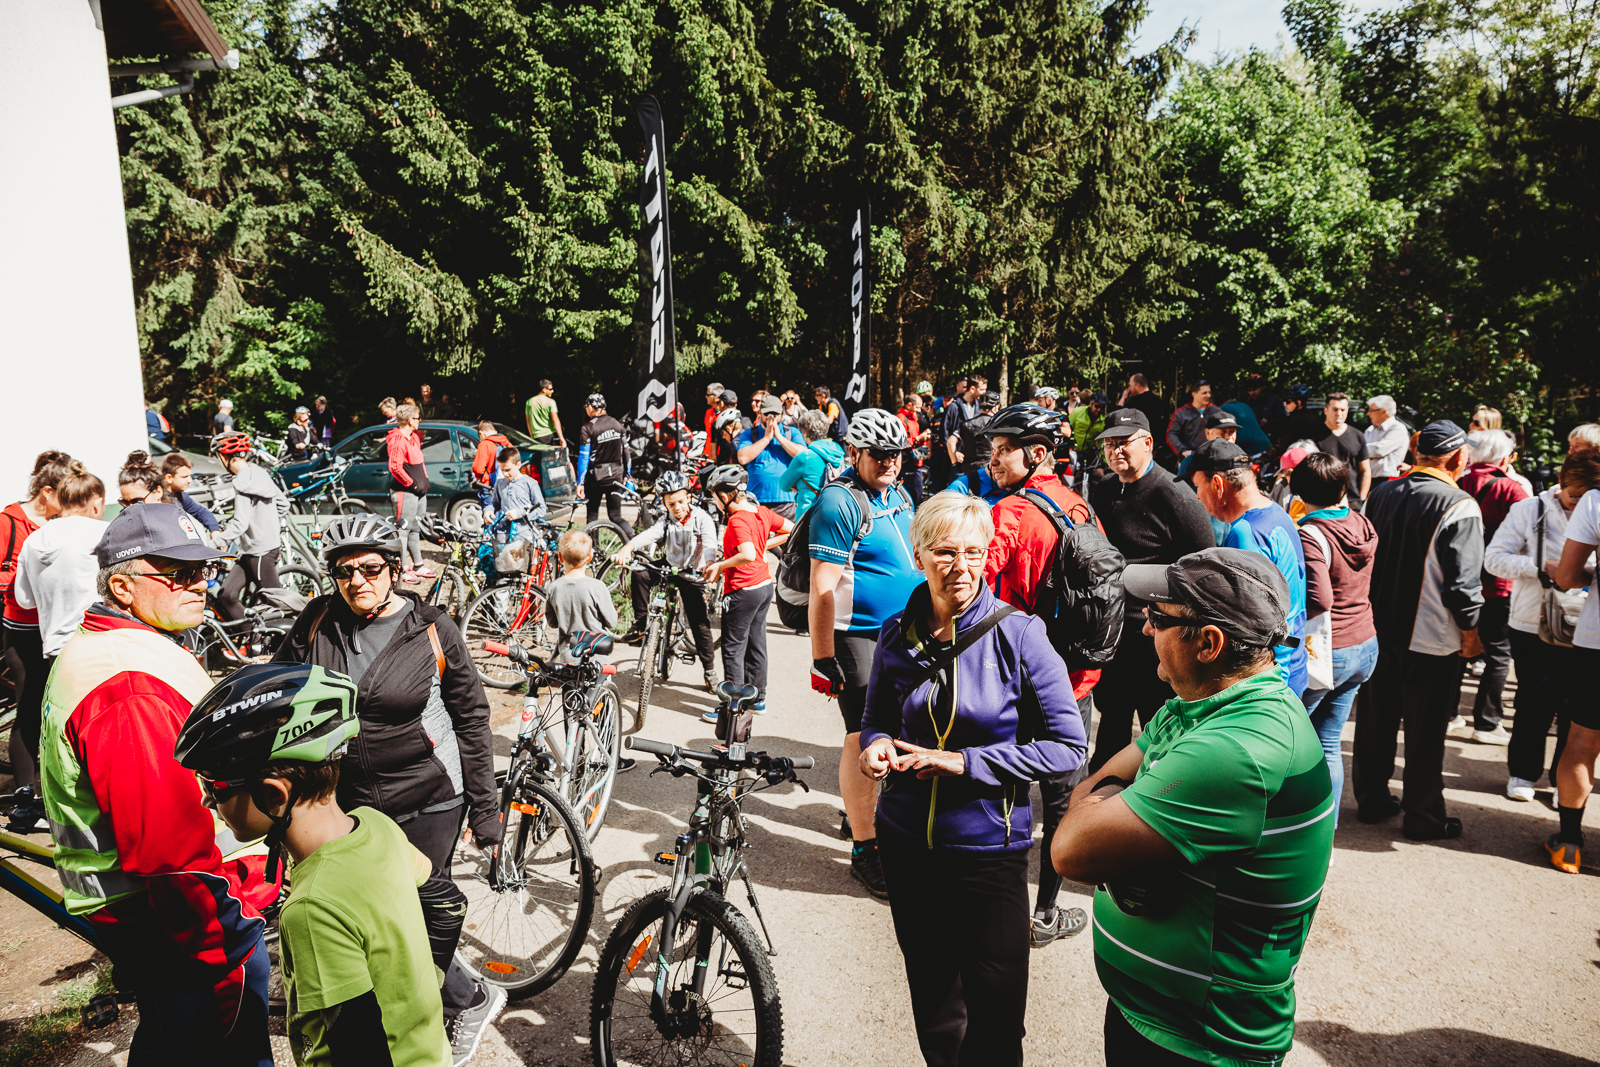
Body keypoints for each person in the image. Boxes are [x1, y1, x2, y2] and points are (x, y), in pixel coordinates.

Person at [1054, 548, 1332, 1067]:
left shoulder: (1236, 748)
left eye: (1158, 618)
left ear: (1209, 642)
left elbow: (1070, 848)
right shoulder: (1200, 705)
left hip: (1201, 1042)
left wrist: (1116, 803)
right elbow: (1085, 793)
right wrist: (1115, 803)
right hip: (1157, 1019)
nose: (1144, 629)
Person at [859, 493, 1086, 1066]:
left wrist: (965, 763)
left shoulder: (1021, 635)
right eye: (945, 552)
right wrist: (876, 747)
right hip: (908, 842)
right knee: (934, 997)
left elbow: (1068, 748)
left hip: (989, 846)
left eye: (973, 553)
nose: (960, 567)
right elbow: (875, 719)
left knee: (997, 1011)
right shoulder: (895, 634)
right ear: (918, 554)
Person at [41, 503, 271, 1065]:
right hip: (184, 922)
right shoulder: (129, 684)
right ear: (121, 585)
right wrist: (226, 937)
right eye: (177, 572)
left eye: (205, 569)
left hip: (156, 914)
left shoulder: (116, 644)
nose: (201, 584)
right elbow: (167, 845)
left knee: (172, 1042)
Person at [273, 513, 505, 1054]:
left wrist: (485, 811)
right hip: (346, 798)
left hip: (428, 797)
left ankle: (459, 1004)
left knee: (412, 919)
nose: (357, 581)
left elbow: (471, 718)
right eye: (344, 571)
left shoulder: (432, 628)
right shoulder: (315, 622)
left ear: (393, 569)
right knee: (371, 916)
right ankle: (424, 1008)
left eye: (370, 569)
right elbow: (279, 688)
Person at [174, 665, 452, 1067]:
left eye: (213, 787)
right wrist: (420, 996)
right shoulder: (378, 827)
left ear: (273, 796)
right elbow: (446, 906)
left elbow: (356, 1054)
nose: (205, 802)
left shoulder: (311, 909)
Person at [978, 404, 1100, 949]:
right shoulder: (1080, 508)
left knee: (997, 786)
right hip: (1076, 682)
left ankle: (992, 907)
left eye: (1005, 448)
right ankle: (1045, 914)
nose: (993, 457)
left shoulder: (1008, 512)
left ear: (1039, 453)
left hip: (1017, 679)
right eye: (993, 447)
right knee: (1059, 803)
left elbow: (968, 585)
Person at [1353, 420, 1484, 840]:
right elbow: (1463, 585)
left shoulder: (1382, 493)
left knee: (1376, 719)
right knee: (1426, 731)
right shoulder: (1459, 504)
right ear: (1458, 458)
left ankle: (1372, 800)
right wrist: (1471, 631)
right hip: (1430, 636)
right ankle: (1423, 816)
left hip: (1378, 627)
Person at [807, 408, 919, 899]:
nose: (892, 463)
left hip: (902, 631)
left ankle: (869, 815)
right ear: (854, 452)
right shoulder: (839, 502)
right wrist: (822, 656)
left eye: (898, 455)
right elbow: (822, 588)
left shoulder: (897, 490)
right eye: (880, 455)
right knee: (862, 737)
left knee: (899, 730)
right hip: (857, 635)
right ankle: (865, 847)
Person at [1088, 410, 1216, 768]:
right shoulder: (1106, 488)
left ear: (1147, 443)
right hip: (1111, 631)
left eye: (1123, 443)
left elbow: (1203, 568)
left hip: (1158, 633)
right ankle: (1103, 806)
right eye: (1108, 445)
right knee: (1111, 719)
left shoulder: (1176, 496)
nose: (1115, 452)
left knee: (1158, 725)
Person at [1485, 454, 1600, 804]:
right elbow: (1493, 559)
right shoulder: (1529, 509)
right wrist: (1539, 567)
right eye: (1574, 497)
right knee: (1534, 701)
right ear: (1561, 484)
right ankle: (1523, 772)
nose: (1580, 504)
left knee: (1574, 708)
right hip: (1533, 622)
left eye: (1587, 497)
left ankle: (1560, 781)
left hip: (1585, 625)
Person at [1293, 452, 1379, 824]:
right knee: (1328, 745)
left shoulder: (1311, 533)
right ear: (1344, 487)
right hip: (1364, 645)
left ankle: (1290, 831)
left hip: (1327, 652)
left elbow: (1320, 598)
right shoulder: (1361, 523)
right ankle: (1326, 830)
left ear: (1298, 494)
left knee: (1288, 740)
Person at [1186, 438, 1310, 695]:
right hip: (1293, 667)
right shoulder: (1277, 513)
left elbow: (1246, 624)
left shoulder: (1246, 533)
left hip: (1270, 682)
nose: (1197, 496)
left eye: (1197, 487)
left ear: (1218, 485)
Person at [2, 451, 69, 815]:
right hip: (23, 629)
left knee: (54, 710)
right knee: (28, 710)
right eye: (64, 495)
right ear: (46, 492)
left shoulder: (61, 523)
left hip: (54, 627)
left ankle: (51, 789)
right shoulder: (9, 522)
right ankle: (25, 796)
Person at [700, 465, 792, 719]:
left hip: (742, 590)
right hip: (763, 587)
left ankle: (732, 709)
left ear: (726, 495)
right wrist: (763, 544)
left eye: (715, 496)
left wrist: (720, 564)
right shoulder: (761, 512)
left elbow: (748, 554)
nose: (715, 501)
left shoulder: (738, 519)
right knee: (756, 643)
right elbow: (791, 529)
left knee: (733, 649)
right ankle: (757, 699)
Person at [614, 470, 718, 689]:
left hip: (693, 572)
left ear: (689, 497)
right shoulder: (666, 520)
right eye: (671, 504)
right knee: (640, 572)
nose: (677, 507)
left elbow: (710, 544)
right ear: (664, 504)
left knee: (700, 623)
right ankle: (642, 624)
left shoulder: (702, 518)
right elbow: (650, 534)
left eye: (681, 501)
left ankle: (709, 670)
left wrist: (709, 564)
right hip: (669, 566)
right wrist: (629, 546)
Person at [1544, 475, 1600, 872]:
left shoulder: (1595, 500)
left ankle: (1569, 844)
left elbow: (1566, 576)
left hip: (1597, 643)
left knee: (1581, 742)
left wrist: (1589, 576)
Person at [1460, 429, 1530, 744]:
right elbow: (1531, 535)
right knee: (1499, 653)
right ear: (1504, 457)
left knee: (1458, 646)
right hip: (1498, 584)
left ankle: (1449, 714)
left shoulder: (1457, 481)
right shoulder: (1511, 489)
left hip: (1459, 581)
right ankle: (1487, 722)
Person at [212, 434, 289, 620]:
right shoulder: (259, 472)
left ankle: (291, 641)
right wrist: (266, 522)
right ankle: (247, 639)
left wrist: (215, 542)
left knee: (277, 603)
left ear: (225, 457)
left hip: (261, 552)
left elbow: (240, 523)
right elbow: (283, 504)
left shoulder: (242, 482)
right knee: (226, 594)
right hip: (252, 551)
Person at [545, 529, 618, 663]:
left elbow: (552, 622)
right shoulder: (597, 587)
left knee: (571, 684)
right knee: (600, 684)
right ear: (590, 557)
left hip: (569, 655)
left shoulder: (554, 588)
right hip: (597, 655)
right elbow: (612, 622)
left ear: (560, 557)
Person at [736, 393, 805, 520]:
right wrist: (766, 438)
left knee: (788, 539)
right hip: (757, 500)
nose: (771, 418)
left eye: (775, 414)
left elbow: (804, 456)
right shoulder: (750, 434)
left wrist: (779, 437)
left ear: (781, 413)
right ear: (760, 413)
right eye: (767, 414)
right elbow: (742, 458)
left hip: (787, 501)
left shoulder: (792, 432)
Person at [386, 403, 433, 584]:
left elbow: (420, 463)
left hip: (419, 491)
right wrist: (412, 484)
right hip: (405, 492)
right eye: (417, 418)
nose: (419, 421)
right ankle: (402, 568)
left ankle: (418, 564)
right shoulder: (397, 440)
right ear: (409, 420)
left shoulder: (413, 437)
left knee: (415, 528)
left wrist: (425, 481)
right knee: (402, 530)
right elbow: (395, 467)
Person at [576, 393, 634, 537]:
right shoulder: (618, 425)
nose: (586, 410)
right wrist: (628, 474)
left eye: (586, 407)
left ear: (591, 407)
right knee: (615, 515)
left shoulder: (588, 428)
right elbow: (627, 453)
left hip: (596, 478)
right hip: (616, 475)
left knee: (592, 516)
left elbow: (584, 457)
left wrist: (580, 482)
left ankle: (595, 553)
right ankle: (632, 537)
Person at [778, 409, 847, 517]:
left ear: (805, 433)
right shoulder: (838, 451)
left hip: (808, 516)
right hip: (835, 514)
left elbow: (783, 485)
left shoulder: (805, 457)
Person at [1315, 392, 1372, 509]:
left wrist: (1361, 498)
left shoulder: (1357, 435)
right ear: (1326, 411)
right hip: (1323, 502)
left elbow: (1365, 470)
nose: (1339, 414)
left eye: (1343, 410)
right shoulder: (1313, 435)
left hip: (1353, 502)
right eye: (1335, 409)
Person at [483, 446, 547, 547]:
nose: (505, 474)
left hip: (523, 535)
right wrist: (488, 510)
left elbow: (542, 509)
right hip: (502, 534)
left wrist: (520, 513)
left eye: (508, 470)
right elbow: (495, 503)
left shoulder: (530, 483)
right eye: (502, 470)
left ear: (518, 464)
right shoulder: (499, 483)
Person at [160, 452, 222, 536]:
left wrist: (214, 530)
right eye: (185, 477)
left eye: (190, 476)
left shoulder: (179, 495)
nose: (190, 481)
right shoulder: (158, 498)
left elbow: (201, 512)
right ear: (169, 478)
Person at [1165, 379, 1220, 462]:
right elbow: (1171, 434)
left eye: (1209, 392)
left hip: (1212, 457)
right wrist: (1182, 450)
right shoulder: (1181, 413)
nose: (1208, 395)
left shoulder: (1217, 411)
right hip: (1189, 458)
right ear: (1194, 394)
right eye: (1204, 393)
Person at [1364, 395, 1410, 487]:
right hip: (1367, 479)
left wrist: (1363, 449)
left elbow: (1378, 451)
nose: (1368, 414)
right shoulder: (1370, 430)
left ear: (1384, 411)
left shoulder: (1397, 428)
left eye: (1371, 410)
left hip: (1387, 481)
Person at [954, 390, 1000, 479]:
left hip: (969, 469)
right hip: (990, 469)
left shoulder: (966, 424)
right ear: (995, 408)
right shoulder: (997, 425)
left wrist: (955, 463)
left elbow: (951, 442)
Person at [941, 376, 983, 474]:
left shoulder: (980, 409)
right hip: (958, 461)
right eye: (982, 389)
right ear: (972, 389)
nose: (984, 393)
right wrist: (954, 452)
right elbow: (944, 433)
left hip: (975, 461)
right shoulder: (953, 407)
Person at [896, 392, 931, 506]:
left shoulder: (913, 418)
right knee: (914, 493)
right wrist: (917, 438)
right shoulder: (900, 418)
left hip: (916, 460)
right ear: (909, 405)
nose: (919, 411)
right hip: (907, 462)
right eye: (917, 408)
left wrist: (924, 437)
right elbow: (900, 442)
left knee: (918, 492)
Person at [469, 418, 512, 508]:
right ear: (494, 431)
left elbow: (478, 468)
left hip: (489, 486)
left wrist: (476, 478)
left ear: (481, 433)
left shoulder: (485, 444)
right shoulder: (507, 443)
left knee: (490, 515)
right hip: (507, 485)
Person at [524, 378, 566, 449]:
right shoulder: (551, 402)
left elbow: (528, 421)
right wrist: (561, 438)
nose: (552, 391)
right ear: (544, 389)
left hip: (537, 436)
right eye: (550, 389)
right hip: (550, 435)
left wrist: (532, 437)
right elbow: (555, 420)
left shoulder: (529, 402)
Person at [1243, 372, 1282, 439]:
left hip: (1273, 437)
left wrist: (1269, 422)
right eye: (1250, 390)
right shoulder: (1247, 405)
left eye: (1255, 389)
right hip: (1254, 438)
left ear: (1262, 387)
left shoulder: (1274, 400)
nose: (1252, 392)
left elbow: (1283, 420)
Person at [701, 381, 725, 460]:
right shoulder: (708, 412)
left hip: (721, 456)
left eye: (708, 395)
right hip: (708, 455)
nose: (706, 397)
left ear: (716, 397)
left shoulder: (726, 414)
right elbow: (709, 436)